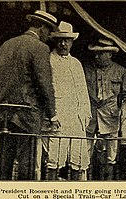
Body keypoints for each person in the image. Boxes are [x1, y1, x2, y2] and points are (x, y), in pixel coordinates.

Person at [0, 10, 60, 180]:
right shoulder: (40, 48)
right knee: (27, 163)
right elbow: (44, 84)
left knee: (2, 161)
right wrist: (52, 115)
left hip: (1, 113)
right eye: (49, 31)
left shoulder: (7, 44)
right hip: (26, 115)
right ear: (42, 28)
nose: (49, 36)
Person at [43, 21, 91, 180]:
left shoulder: (76, 63)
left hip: (76, 120)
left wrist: (85, 114)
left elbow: (83, 91)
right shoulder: (49, 61)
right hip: (58, 118)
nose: (63, 44)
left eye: (67, 40)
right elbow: (46, 91)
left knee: (78, 160)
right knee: (54, 160)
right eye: (60, 40)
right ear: (55, 41)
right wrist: (51, 116)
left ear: (72, 42)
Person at [84, 38, 126, 180]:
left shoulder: (121, 71)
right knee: (84, 155)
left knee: (110, 157)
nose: (96, 56)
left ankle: (107, 184)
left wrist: (123, 112)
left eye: (100, 53)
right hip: (89, 117)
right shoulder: (85, 69)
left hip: (111, 118)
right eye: (95, 53)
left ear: (110, 54)